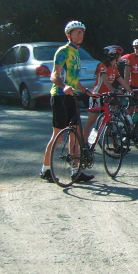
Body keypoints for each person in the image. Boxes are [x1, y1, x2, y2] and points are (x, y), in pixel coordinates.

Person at [39, 21, 96, 183]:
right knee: (58, 135)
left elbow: (74, 79)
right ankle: (46, 169)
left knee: (76, 134)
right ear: (68, 35)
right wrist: (64, 87)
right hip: (59, 96)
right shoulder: (63, 52)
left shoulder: (77, 53)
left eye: (81, 32)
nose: (80, 35)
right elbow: (54, 76)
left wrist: (87, 91)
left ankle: (75, 171)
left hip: (72, 97)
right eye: (76, 32)